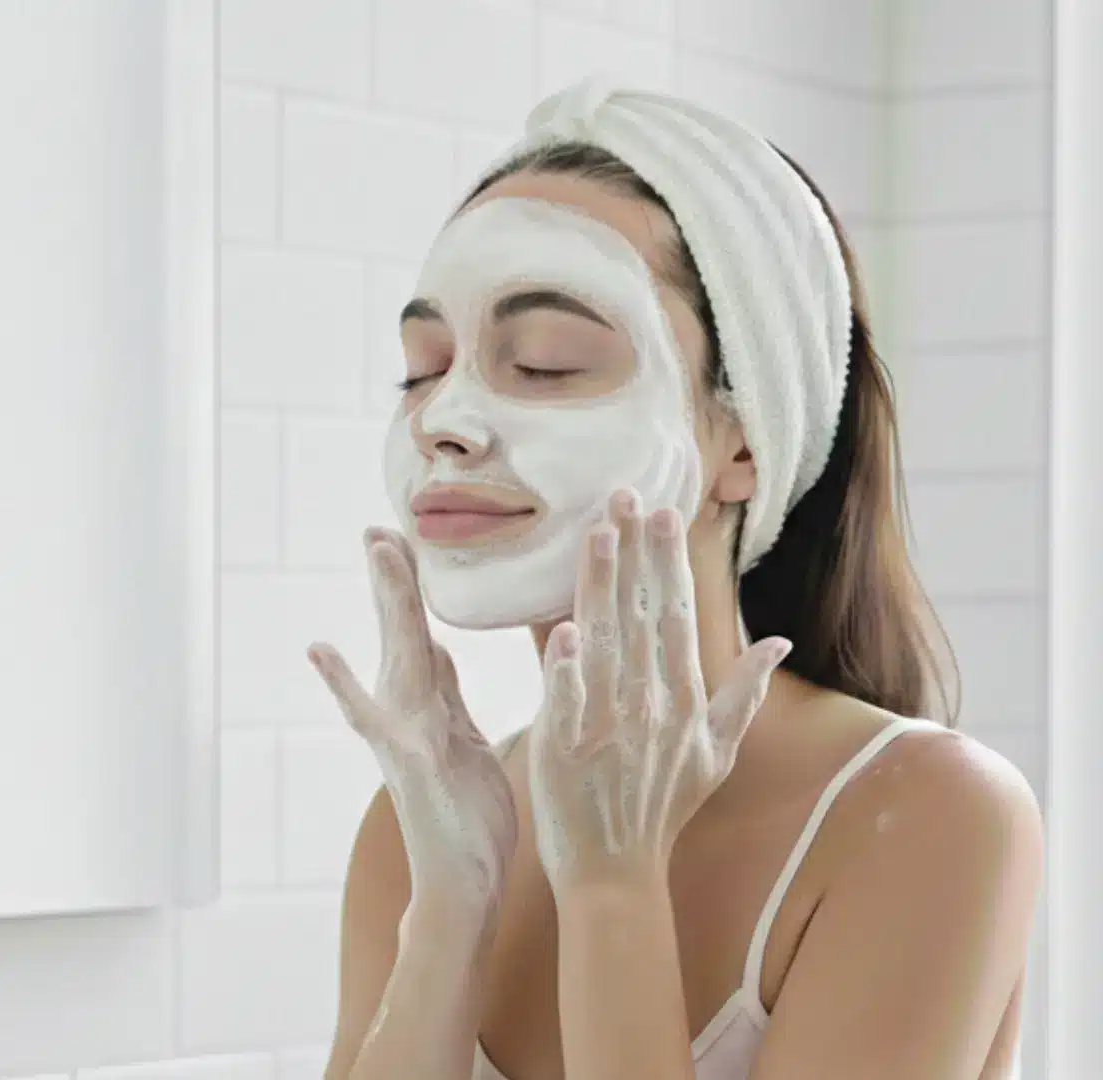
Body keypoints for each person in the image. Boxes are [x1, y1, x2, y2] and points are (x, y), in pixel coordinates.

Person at [311, 79, 1043, 1080]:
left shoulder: (924, 813)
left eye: (546, 362)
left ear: (740, 445)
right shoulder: (422, 829)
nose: (445, 419)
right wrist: (449, 909)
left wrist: (614, 886)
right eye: (422, 367)